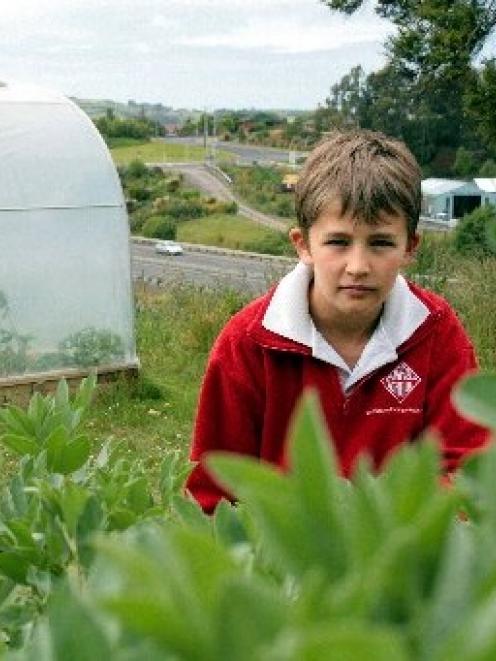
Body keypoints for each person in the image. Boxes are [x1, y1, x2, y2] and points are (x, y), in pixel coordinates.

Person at [186, 129, 489, 513]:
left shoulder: (437, 330)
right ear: (303, 244)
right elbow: (215, 493)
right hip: (285, 560)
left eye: (380, 243)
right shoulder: (248, 342)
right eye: (338, 242)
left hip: (399, 556)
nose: (358, 267)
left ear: (410, 247)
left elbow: (466, 470)